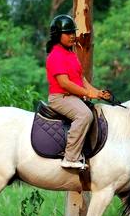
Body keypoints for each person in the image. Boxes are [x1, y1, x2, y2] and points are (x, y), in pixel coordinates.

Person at [45, 14, 111, 169]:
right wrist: (87, 94)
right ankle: (70, 157)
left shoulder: (71, 54)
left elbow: (82, 79)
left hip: (73, 97)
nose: (72, 36)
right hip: (60, 97)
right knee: (84, 115)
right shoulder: (55, 55)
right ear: (57, 35)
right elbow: (64, 83)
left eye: (73, 33)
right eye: (68, 33)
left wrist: (98, 92)